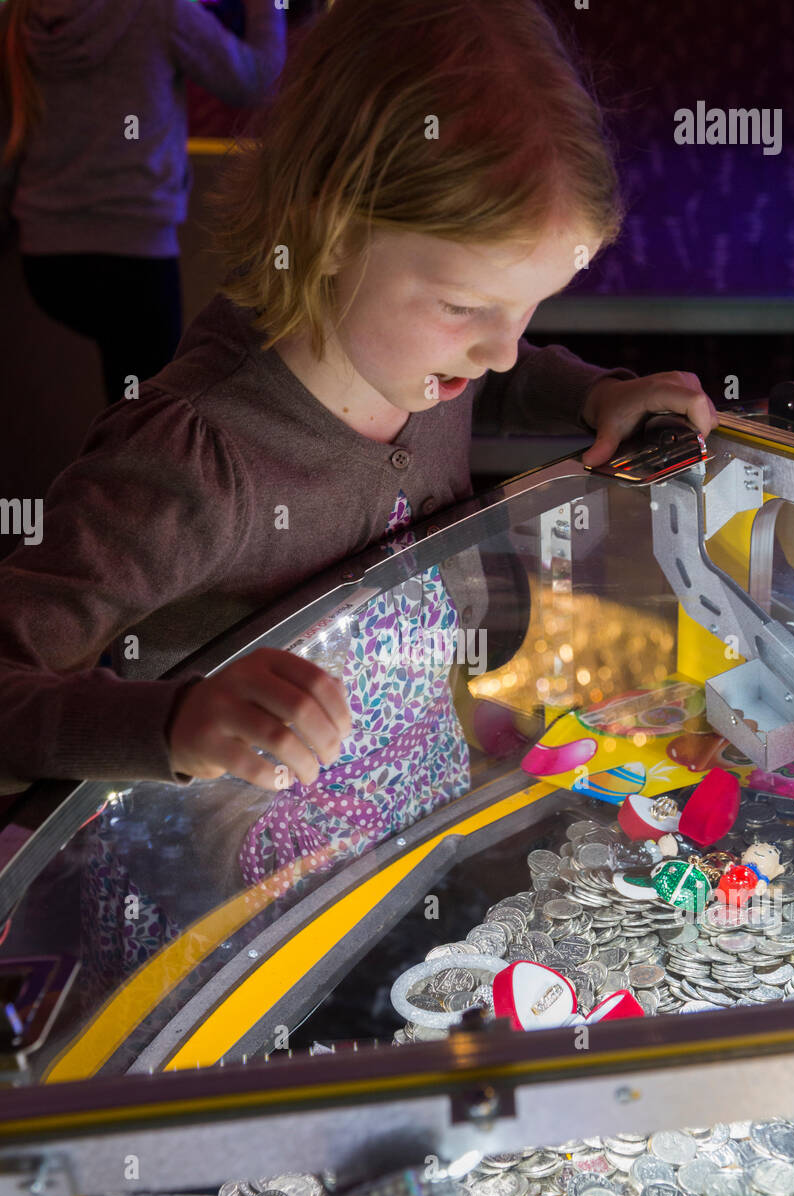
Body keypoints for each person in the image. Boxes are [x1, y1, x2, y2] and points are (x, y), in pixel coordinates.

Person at [0, 0, 718, 1004]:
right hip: (219, 965)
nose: (500, 348)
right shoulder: (192, 462)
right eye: (467, 307)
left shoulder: (421, 362)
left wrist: (591, 390)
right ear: (328, 231)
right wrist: (169, 722)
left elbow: (500, 370)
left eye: (530, 307)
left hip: (390, 874)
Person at [0, 0, 287, 403]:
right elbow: (254, 80)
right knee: (144, 416)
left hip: (44, 261)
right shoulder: (159, 9)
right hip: (133, 255)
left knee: (123, 405)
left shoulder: (23, 15)